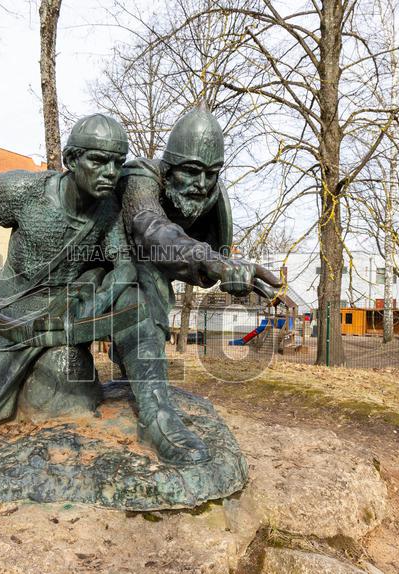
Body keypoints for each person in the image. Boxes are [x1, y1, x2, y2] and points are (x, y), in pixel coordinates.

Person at [110, 108, 283, 464]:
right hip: (89, 270)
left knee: (149, 282)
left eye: (211, 173)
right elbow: (150, 229)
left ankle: (137, 377)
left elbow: (203, 254)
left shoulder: (212, 199)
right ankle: (157, 415)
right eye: (191, 171)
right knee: (146, 283)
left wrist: (230, 273)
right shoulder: (139, 177)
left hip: (135, 274)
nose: (202, 183)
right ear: (169, 167)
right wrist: (214, 262)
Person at [0, 113, 134, 433]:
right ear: (72, 160)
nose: (111, 173)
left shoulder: (108, 210)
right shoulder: (27, 190)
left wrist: (100, 300)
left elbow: (125, 265)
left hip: (60, 313)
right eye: (100, 161)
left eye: (118, 163)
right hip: (9, 311)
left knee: (71, 395)